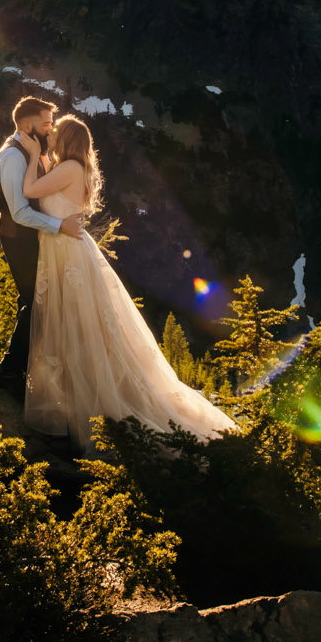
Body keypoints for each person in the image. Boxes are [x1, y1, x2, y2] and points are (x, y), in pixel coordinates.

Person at [19, 114, 238, 453]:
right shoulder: (75, 169)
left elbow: (30, 189)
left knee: (75, 328)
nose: (52, 137)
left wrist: (33, 155)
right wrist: (44, 155)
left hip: (66, 253)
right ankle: (82, 402)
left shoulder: (69, 169)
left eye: (56, 134)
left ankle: (86, 410)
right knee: (79, 328)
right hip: (68, 251)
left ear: (67, 141)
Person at [0, 96, 85, 397]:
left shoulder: (30, 152)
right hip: (20, 239)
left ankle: (19, 368)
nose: (51, 129)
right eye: (46, 124)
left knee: (35, 301)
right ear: (28, 125)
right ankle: (9, 370)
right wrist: (60, 226)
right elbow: (19, 212)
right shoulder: (13, 158)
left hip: (32, 237)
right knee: (35, 301)